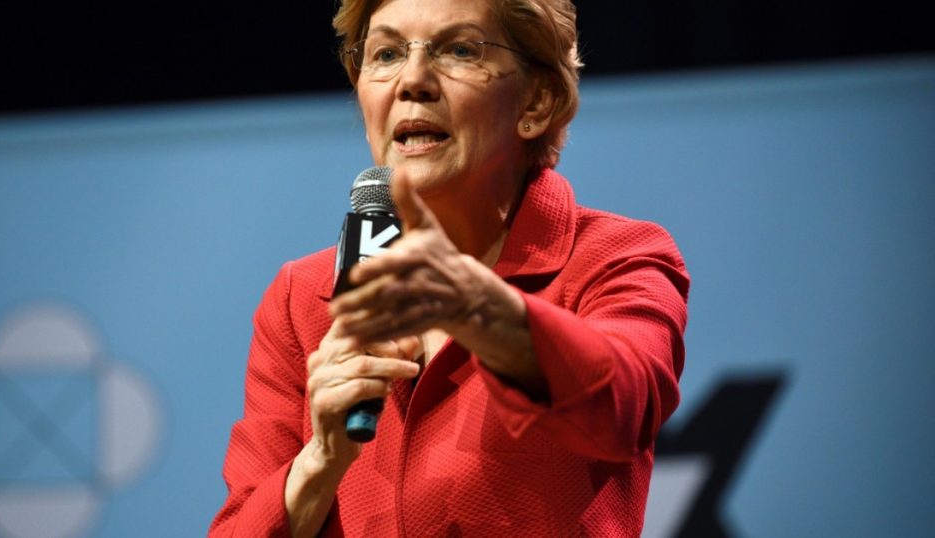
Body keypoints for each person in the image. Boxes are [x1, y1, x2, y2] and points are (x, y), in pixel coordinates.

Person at [209, 0, 689, 535]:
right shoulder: (301, 298)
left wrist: (476, 306)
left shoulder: (615, 256)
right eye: (386, 54)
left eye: (460, 50)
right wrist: (319, 461)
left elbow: (623, 409)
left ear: (537, 102)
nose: (412, 81)